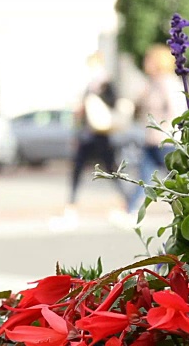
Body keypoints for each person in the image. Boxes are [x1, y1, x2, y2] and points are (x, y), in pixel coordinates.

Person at [49, 52, 130, 231]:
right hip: (86, 135)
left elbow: (113, 103)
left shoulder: (106, 83)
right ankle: (71, 207)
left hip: (100, 135)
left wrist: (100, 93)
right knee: (77, 170)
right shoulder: (88, 86)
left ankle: (127, 202)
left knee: (112, 170)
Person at [126, 44, 182, 213]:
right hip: (152, 140)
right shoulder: (153, 83)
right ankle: (130, 211)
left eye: (148, 59)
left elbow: (176, 111)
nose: (145, 63)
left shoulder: (168, 83)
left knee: (178, 180)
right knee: (144, 176)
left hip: (166, 141)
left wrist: (166, 132)